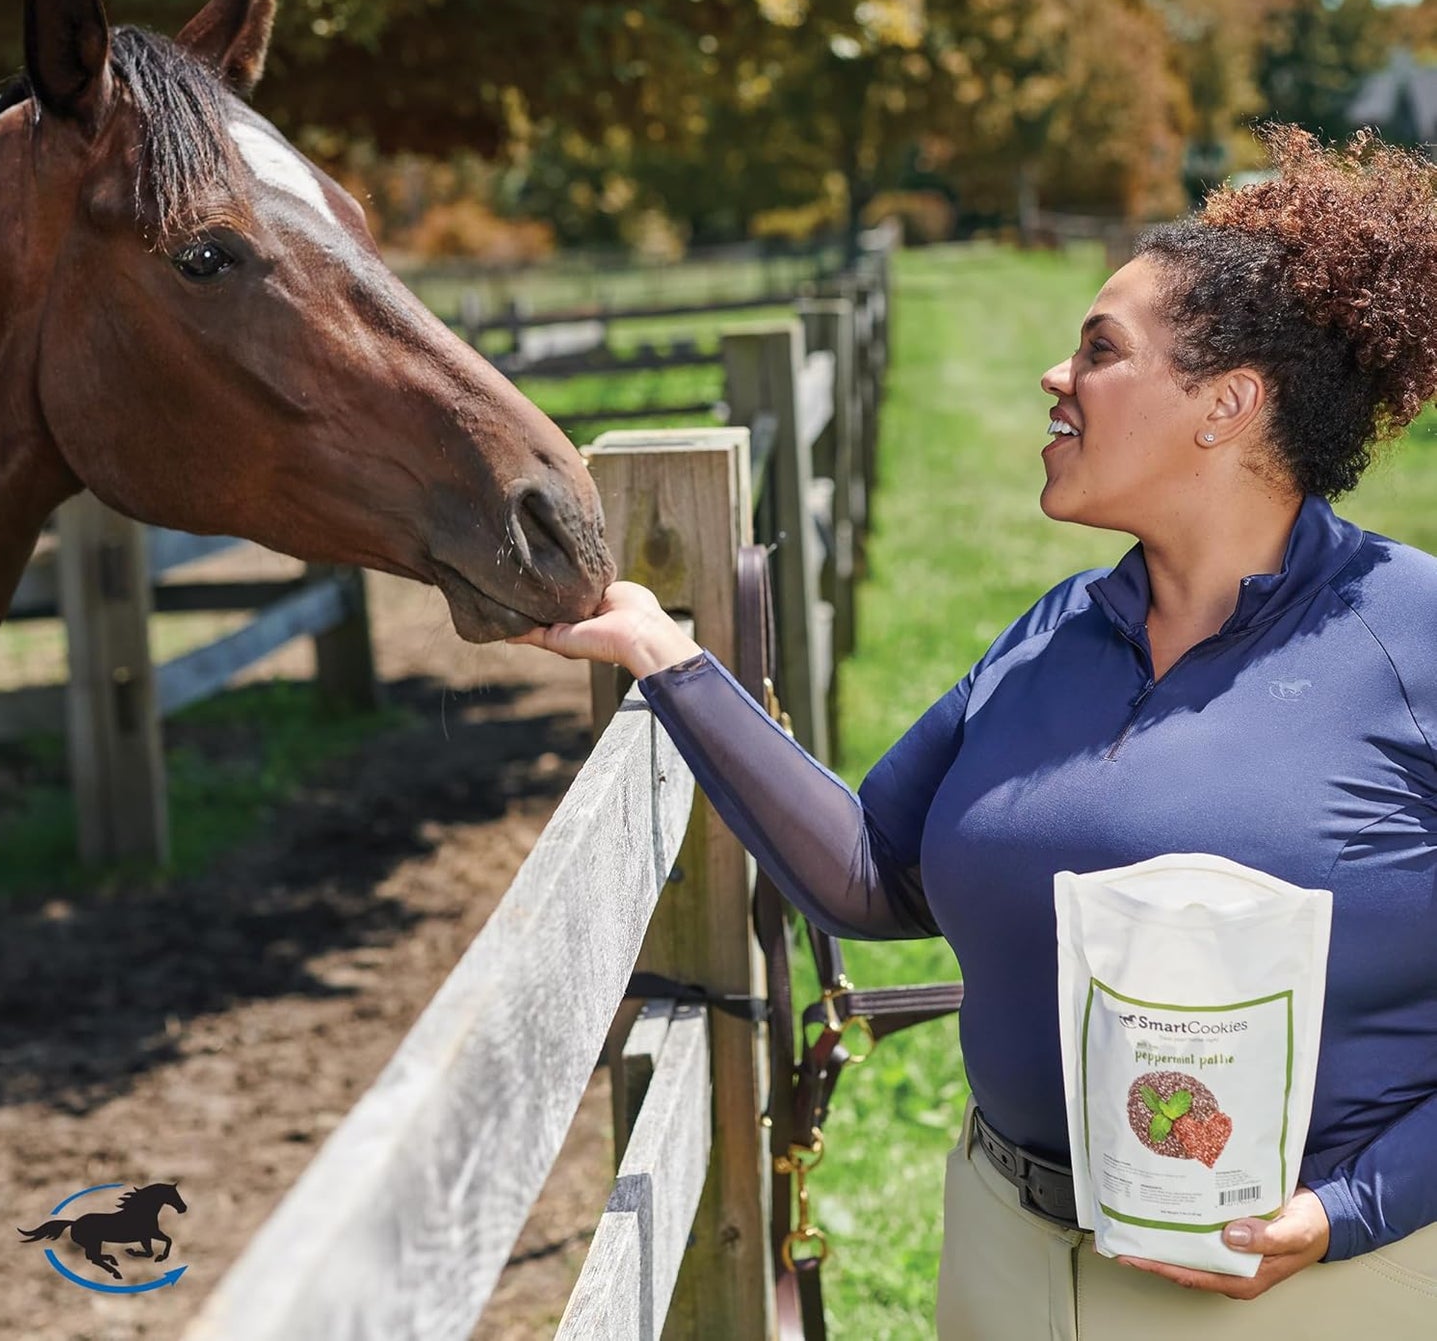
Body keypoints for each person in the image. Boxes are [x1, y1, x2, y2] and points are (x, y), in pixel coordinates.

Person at [512, 125, 1437, 1338]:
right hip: (1002, 1255)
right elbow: (867, 874)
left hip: (1305, 1291)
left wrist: (1348, 1209)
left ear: (1225, 405)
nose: (1054, 377)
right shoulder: (1059, 627)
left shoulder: (1409, 640)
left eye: (1098, 352)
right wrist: (668, 659)